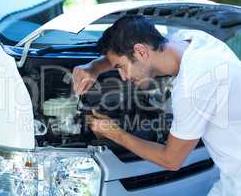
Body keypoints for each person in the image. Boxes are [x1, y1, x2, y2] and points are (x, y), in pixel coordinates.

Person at [72, 15, 241, 196]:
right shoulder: (195, 40)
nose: (123, 77)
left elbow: (171, 160)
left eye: (120, 66)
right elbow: (133, 49)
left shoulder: (193, 86)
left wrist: (114, 133)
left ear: (142, 52)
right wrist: (95, 67)